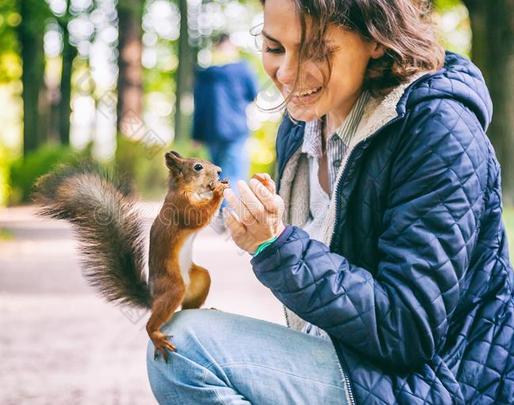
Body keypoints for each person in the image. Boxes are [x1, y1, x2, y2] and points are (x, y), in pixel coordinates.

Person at [147, 0, 514, 403]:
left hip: (435, 385)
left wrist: (277, 246)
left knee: (188, 351)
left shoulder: (439, 131)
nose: (285, 74)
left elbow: (408, 330)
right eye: (273, 48)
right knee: (175, 343)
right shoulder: (300, 124)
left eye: (314, 50)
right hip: (357, 366)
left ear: (376, 38)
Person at [191, 33, 259, 231]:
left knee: (219, 176)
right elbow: (253, 94)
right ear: (231, 47)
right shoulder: (242, 70)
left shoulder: (205, 74)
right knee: (235, 174)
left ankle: (222, 215)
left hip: (211, 132)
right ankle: (231, 217)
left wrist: (196, 135)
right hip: (236, 129)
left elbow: (199, 107)